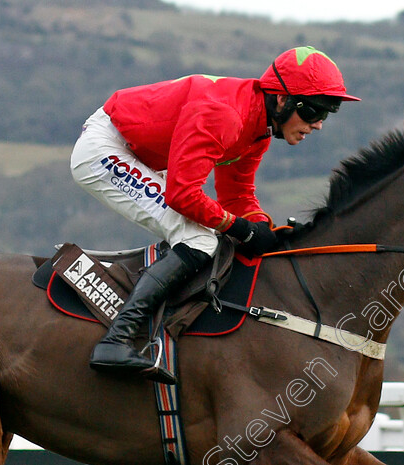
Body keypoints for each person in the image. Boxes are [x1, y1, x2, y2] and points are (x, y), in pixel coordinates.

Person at [70, 46, 359, 383]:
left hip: (138, 153)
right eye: (314, 111)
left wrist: (266, 230)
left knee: (209, 233)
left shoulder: (258, 129)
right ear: (281, 99)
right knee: (199, 237)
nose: (319, 124)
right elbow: (183, 195)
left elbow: (237, 196)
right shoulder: (226, 115)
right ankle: (117, 340)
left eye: (328, 112)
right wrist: (241, 228)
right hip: (105, 150)